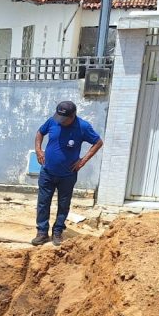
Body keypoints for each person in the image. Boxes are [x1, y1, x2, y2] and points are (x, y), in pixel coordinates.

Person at [33, 101, 104, 247]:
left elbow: (98, 142)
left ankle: (58, 231)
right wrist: (39, 151)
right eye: (59, 117)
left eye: (64, 119)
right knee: (43, 202)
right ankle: (42, 232)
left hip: (67, 175)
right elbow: (40, 132)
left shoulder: (83, 127)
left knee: (63, 204)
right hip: (47, 172)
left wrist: (82, 161)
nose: (60, 121)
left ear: (73, 116)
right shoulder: (53, 121)